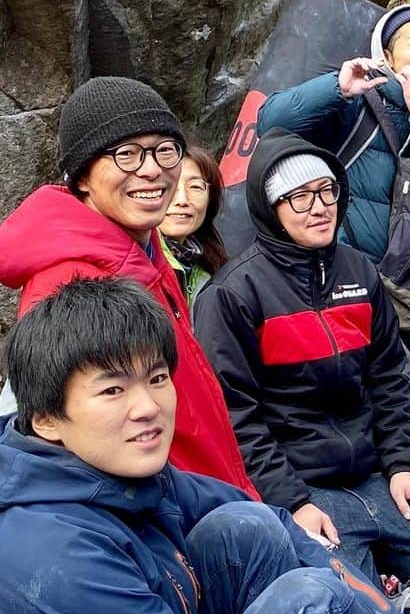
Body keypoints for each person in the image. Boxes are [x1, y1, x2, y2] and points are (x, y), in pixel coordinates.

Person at [0, 276, 410, 614]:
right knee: (317, 602)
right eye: (113, 391)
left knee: (244, 525)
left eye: (157, 378)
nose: (147, 407)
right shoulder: (47, 558)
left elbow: (282, 525)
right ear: (47, 418)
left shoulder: (119, 473)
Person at [193, 128, 410, 614]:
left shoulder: (359, 271)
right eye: (299, 197)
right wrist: (293, 503)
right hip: (305, 485)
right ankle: (379, 582)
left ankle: (391, 576)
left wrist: (402, 467)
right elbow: (236, 415)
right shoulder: (234, 293)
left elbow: (392, 377)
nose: (318, 207)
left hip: (373, 475)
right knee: (357, 609)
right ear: (271, 208)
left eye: (327, 191)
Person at [0, 76, 255, 494]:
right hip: (166, 521)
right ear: (82, 175)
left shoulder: (144, 250)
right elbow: (62, 448)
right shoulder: (70, 284)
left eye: (164, 150)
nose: (152, 169)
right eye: (126, 154)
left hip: (205, 499)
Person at [257, 3, 410, 417]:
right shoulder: (355, 103)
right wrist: (337, 88)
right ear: (388, 58)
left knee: (402, 392)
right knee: (348, 388)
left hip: (394, 280)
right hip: (335, 276)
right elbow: (271, 120)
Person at [160, 143, 228, 304]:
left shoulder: (213, 269)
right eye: (168, 186)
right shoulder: (137, 268)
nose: (182, 200)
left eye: (195, 187)